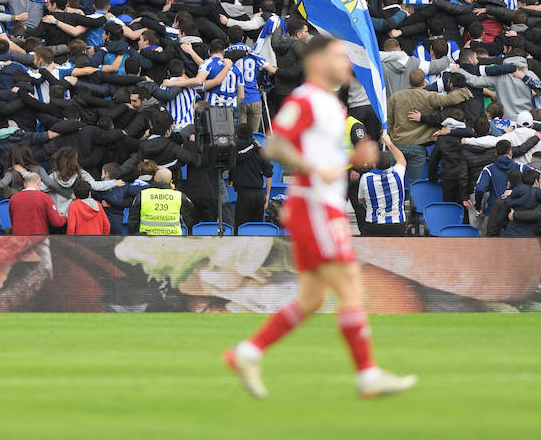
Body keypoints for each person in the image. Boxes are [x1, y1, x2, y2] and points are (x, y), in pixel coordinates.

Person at [225, 35, 415, 400]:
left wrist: (354, 160)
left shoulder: (329, 104)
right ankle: (367, 375)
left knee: (312, 299)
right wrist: (317, 168)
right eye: (339, 56)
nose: (347, 63)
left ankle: (247, 354)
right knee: (350, 287)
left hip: (320, 206)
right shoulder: (308, 99)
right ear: (316, 61)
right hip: (315, 207)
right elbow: (277, 145)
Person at [357, 134, 408, 236]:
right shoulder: (397, 173)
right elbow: (401, 158)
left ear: (374, 164)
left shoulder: (366, 178)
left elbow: (361, 200)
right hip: (397, 226)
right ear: (390, 163)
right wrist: (388, 142)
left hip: (374, 226)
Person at [131, 167, 194, 235]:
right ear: (171, 181)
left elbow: (133, 221)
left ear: (155, 179)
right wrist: (174, 189)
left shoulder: (142, 194)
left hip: (147, 239)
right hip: (173, 240)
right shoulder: (179, 196)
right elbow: (189, 219)